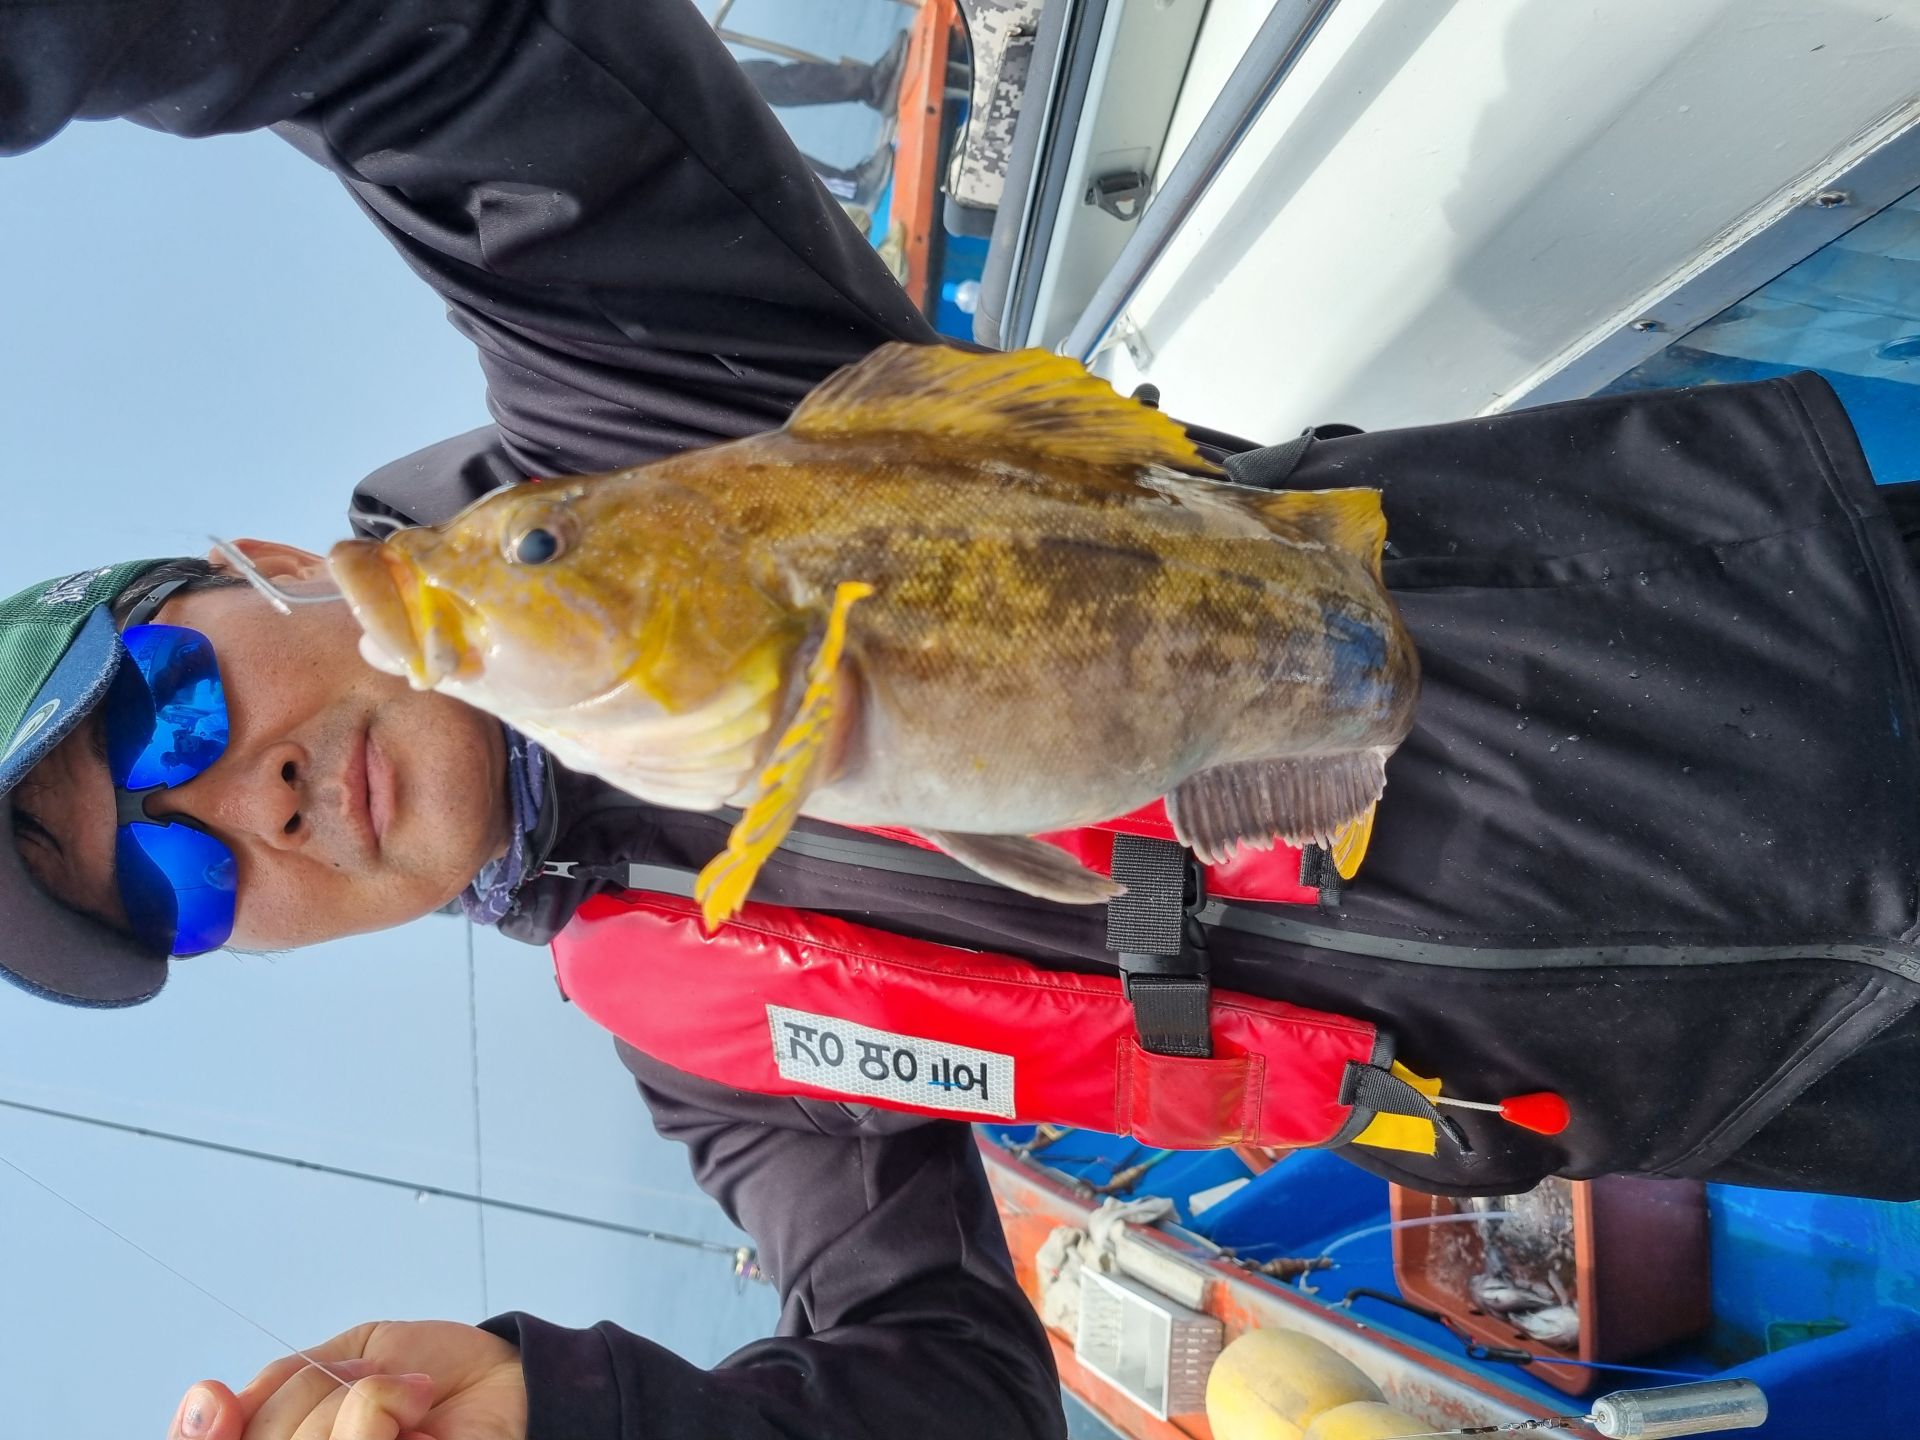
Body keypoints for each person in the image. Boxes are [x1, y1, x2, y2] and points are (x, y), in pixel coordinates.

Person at [7, 0, 1920, 1436]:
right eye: (169, 882)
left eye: (162, 710)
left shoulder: (656, 429)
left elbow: (428, 32)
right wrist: (567, 1419)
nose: (245, 805)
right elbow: (944, 1388)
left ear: (257, 576)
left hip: (1824, 660)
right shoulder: (707, 1039)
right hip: (1820, 1081)